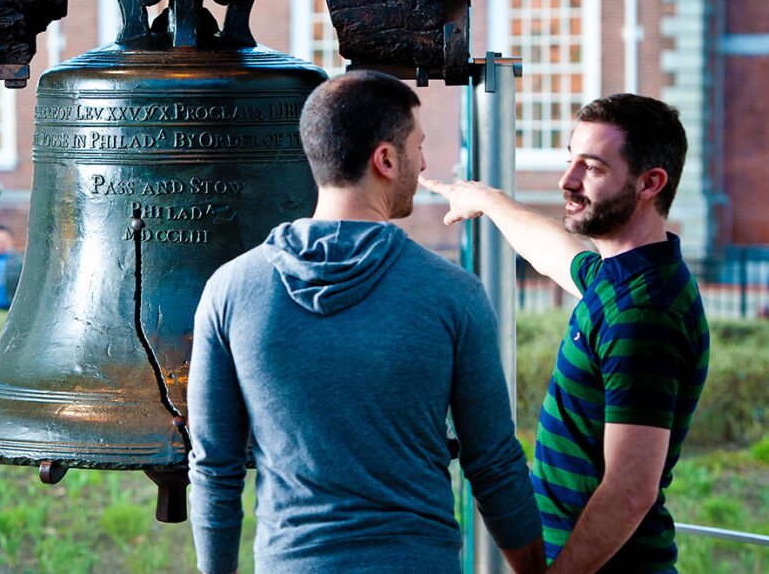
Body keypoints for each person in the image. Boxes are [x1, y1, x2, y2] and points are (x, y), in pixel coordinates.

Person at [187, 71, 545, 574]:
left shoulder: (229, 290)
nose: (423, 165)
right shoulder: (452, 293)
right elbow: (494, 464)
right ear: (385, 159)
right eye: (417, 148)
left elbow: (214, 469)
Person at [420, 93, 710, 573]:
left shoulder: (642, 314)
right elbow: (555, 253)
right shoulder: (617, 278)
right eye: (569, 160)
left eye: (592, 168)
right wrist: (487, 200)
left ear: (649, 183)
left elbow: (630, 490)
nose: (566, 181)